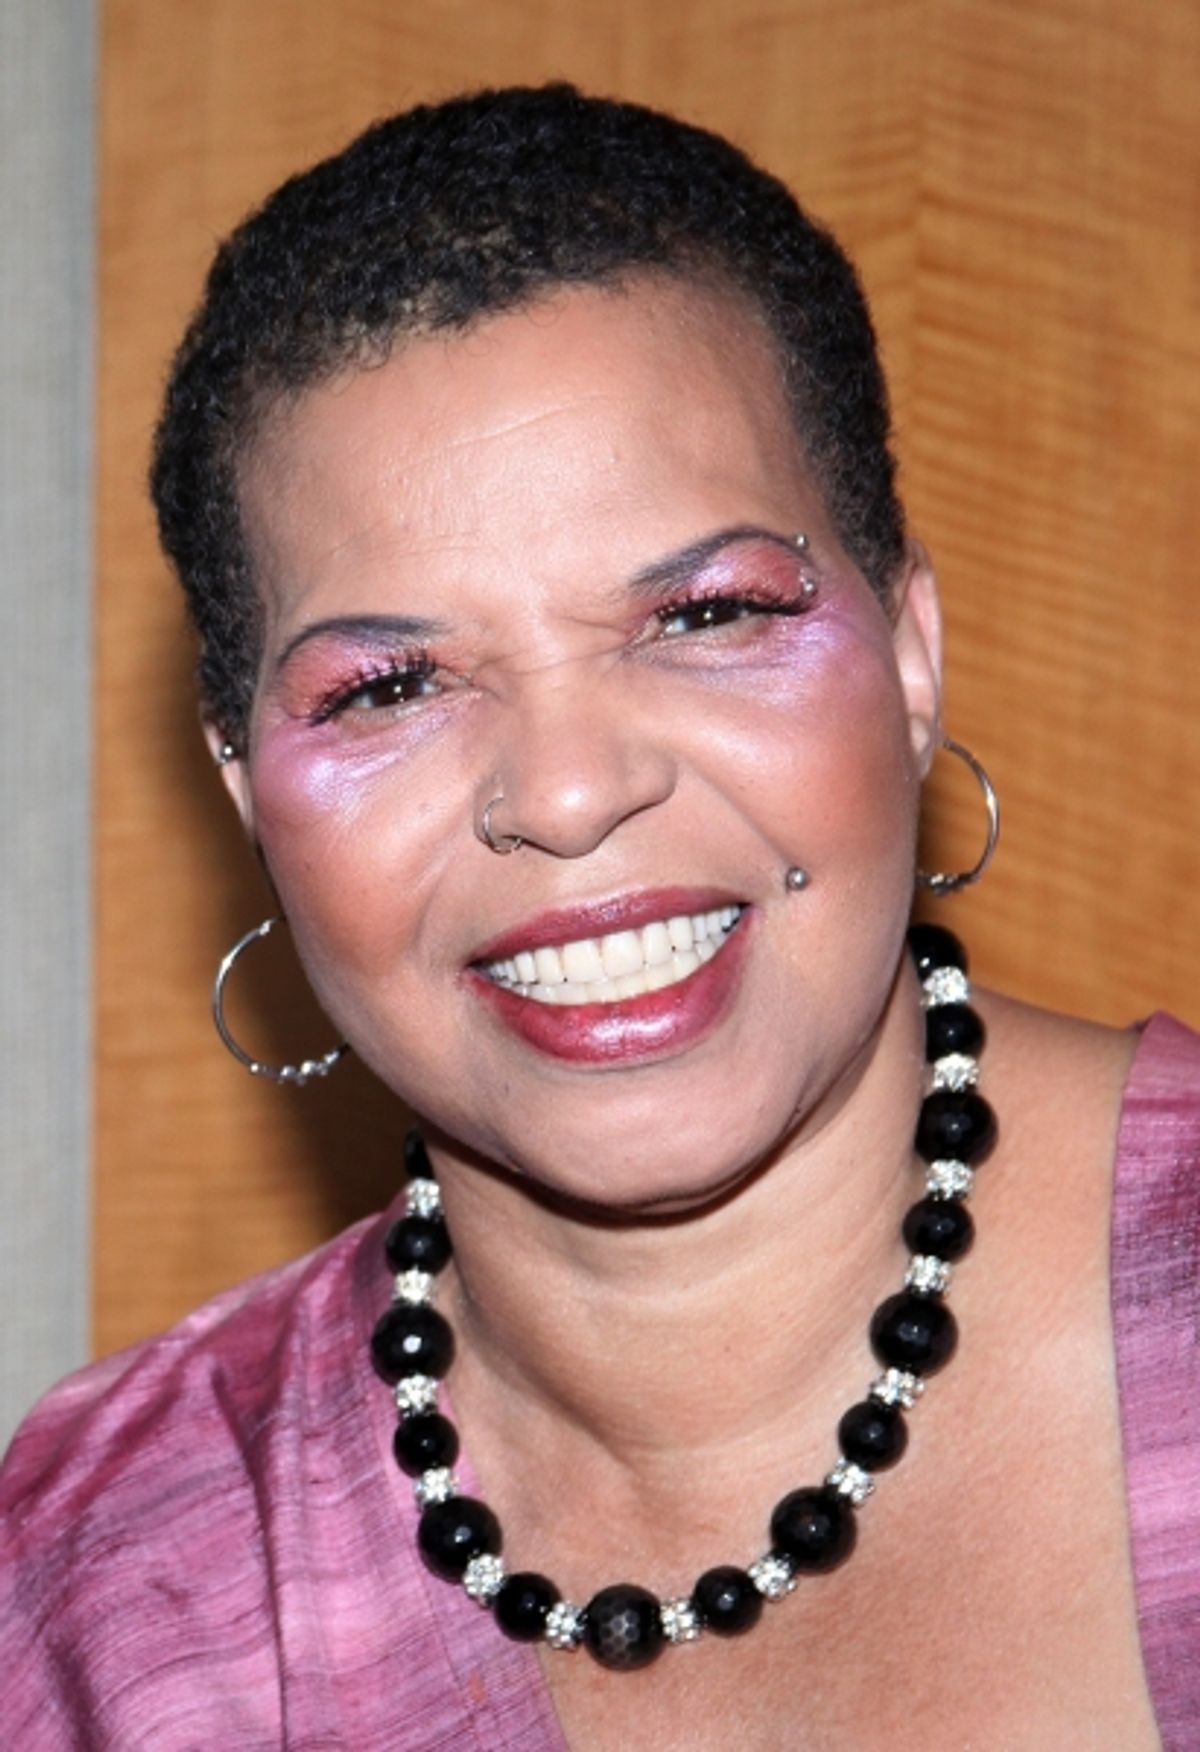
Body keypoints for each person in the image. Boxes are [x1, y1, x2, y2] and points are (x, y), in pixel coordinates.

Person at [3, 83, 1197, 1750]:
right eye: (391, 685)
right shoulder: (100, 1593)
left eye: (703, 613)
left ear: (912, 657)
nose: (565, 793)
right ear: (242, 792)